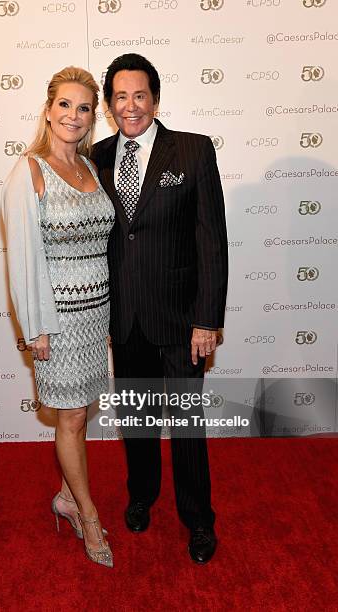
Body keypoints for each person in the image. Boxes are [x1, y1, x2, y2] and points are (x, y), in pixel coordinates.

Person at [91, 53, 228, 564]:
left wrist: (207, 319)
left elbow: (212, 239)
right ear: (109, 105)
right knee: (137, 421)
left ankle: (198, 520)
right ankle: (141, 495)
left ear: (156, 99)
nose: (131, 106)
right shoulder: (97, 158)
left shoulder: (192, 152)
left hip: (180, 320)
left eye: (140, 95)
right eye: (120, 97)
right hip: (124, 320)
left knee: (187, 428)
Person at [1, 66, 115, 568]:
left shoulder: (91, 168)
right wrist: (36, 329)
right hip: (59, 321)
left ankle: (67, 496)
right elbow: (23, 259)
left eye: (84, 107)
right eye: (65, 104)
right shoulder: (28, 171)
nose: (74, 115)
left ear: (94, 117)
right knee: (69, 417)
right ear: (48, 110)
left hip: (97, 316)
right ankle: (86, 515)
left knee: (81, 411)